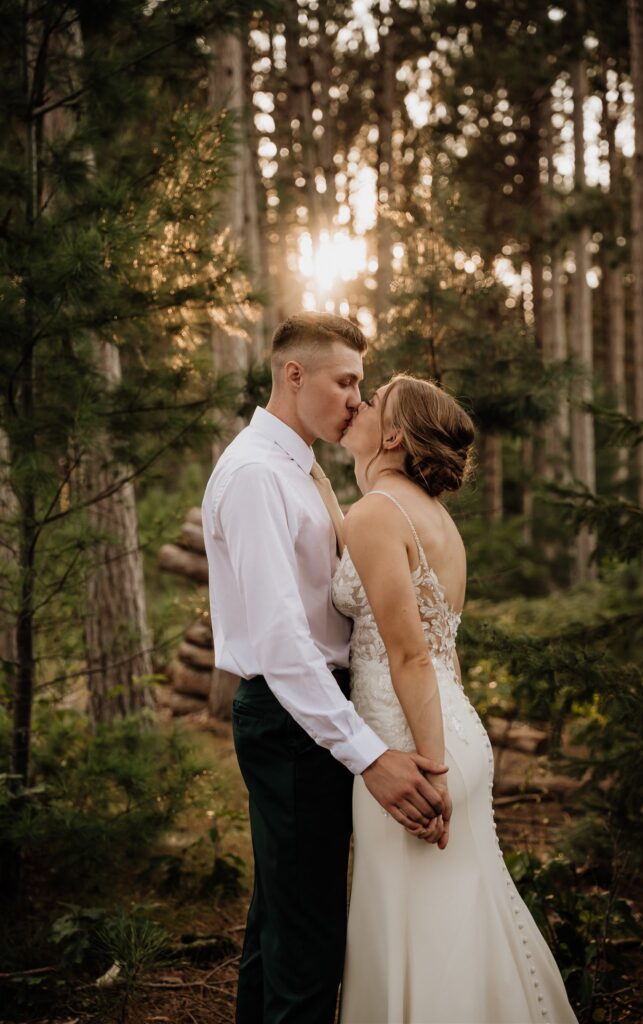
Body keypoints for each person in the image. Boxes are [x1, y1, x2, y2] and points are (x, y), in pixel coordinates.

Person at [201, 314, 448, 1024]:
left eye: (360, 385)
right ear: (294, 375)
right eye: (345, 382)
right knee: (308, 947)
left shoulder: (296, 467)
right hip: (290, 721)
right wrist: (369, 755)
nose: (356, 400)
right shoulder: (254, 475)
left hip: (308, 714)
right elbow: (282, 645)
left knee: (279, 927)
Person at [333, 374, 579, 1024]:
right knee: (461, 927)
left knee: (410, 934)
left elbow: (409, 654)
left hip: (409, 747)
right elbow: (445, 654)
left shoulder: (376, 515)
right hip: (452, 727)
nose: (357, 403)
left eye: (373, 399)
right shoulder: (434, 520)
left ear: (393, 434)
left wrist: (432, 768)